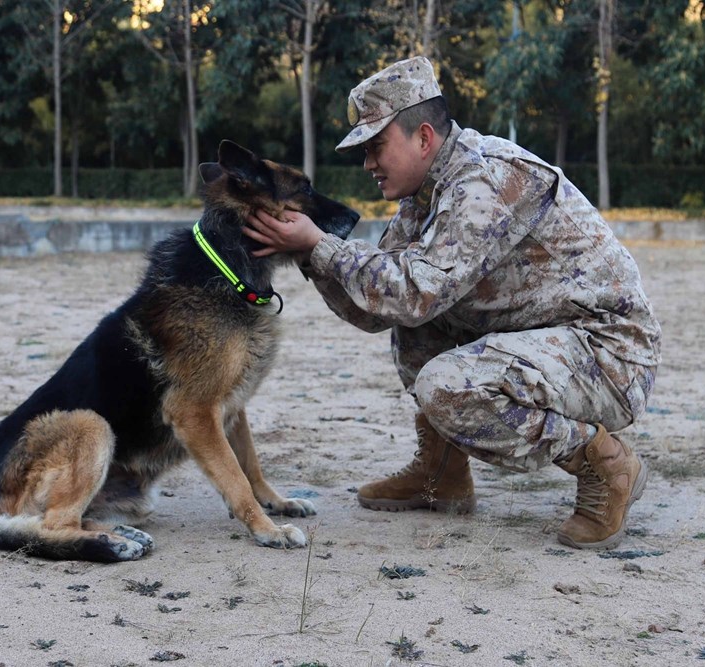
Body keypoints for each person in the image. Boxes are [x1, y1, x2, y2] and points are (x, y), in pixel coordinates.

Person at [245, 56, 661, 550]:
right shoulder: (425, 193)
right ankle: (441, 474)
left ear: (423, 137)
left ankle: (607, 464)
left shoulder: (483, 180)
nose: (368, 164)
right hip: (548, 341)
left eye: (376, 147)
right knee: (413, 321)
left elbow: (417, 291)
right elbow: (378, 309)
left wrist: (323, 246)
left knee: (447, 384)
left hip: (607, 355)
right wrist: (311, 255)